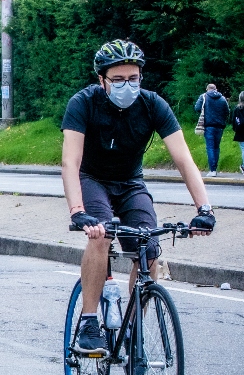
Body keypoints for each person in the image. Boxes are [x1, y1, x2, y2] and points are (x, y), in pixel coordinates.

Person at [62, 40, 216, 354]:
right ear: (102, 80)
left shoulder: (153, 105)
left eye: (133, 78)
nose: (127, 85)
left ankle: (135, 325)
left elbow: (183, 159)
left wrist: (205, 209)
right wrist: (78, 211)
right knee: (100, 235)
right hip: (92, 180)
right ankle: (89, 321)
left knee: (149, 247)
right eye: (118, 80)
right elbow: (70, 162)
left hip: (131, 183)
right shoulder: (83, 103)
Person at [194, 83, 230, 177]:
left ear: (207, 89)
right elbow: (227, 111)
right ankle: (215, 168)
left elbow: (197, 108)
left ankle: (212, 170)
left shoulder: (204, 96)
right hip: (220, 126)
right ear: (216, 89)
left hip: (208, 125)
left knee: (210, 147)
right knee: (216, 147)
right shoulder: (222, 98)